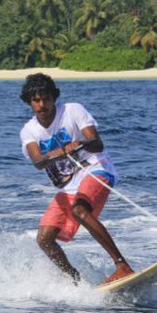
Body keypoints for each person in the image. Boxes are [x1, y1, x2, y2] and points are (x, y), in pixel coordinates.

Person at [19, 73, 134, 285]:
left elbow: (96, 143)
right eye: (36, 100)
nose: (42, 104)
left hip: (96, 169)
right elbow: (37, 162)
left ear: (54, 98)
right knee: (44, 239)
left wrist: (80, 144)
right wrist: (59, 153)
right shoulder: (29, 131)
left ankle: (122, 265)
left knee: (80, 210)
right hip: (68, 187)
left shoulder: (72, 110)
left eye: (46, 98)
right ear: (29, 102)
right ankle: (75, 281)